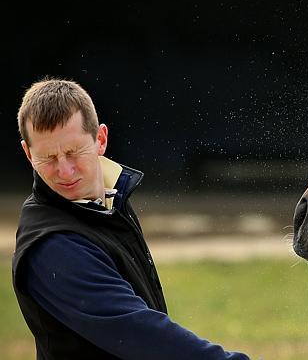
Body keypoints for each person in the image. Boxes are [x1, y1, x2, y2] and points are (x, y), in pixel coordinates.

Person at [12, 78, 250, 360]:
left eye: (73, 152)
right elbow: (142, 335)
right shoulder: (53, 246)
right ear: (28, 154)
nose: (64, 171)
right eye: (48, 158)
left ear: (100, 139)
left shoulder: (107, 203)